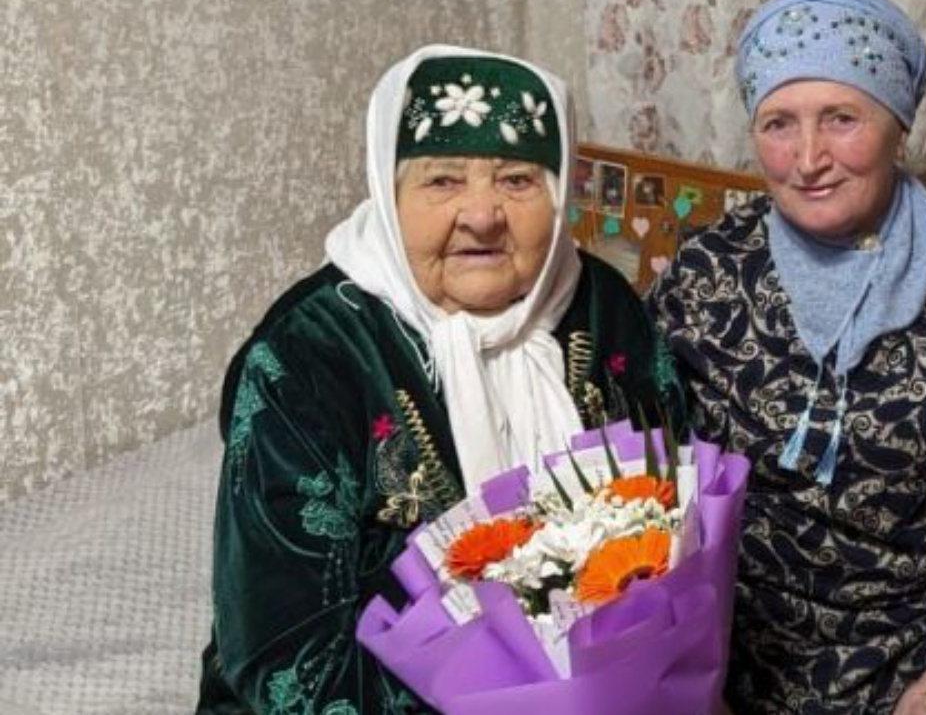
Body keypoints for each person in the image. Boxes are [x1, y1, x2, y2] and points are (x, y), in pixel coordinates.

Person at [196, 45, 680, 714]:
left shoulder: (605, 308)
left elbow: (673, 528)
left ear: (560, 191)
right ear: (389, 195)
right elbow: (285, 657)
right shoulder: (304, 359)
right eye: (443, 182)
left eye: (517, 180)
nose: (482, 215)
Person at [649, 0, 926, 715]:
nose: (807, 158)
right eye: (779, 124)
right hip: (724, 668)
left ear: (898, 128)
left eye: (841, 119)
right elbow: (650, 473)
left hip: (919, 667)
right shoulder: (706, 269)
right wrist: (680, 663)